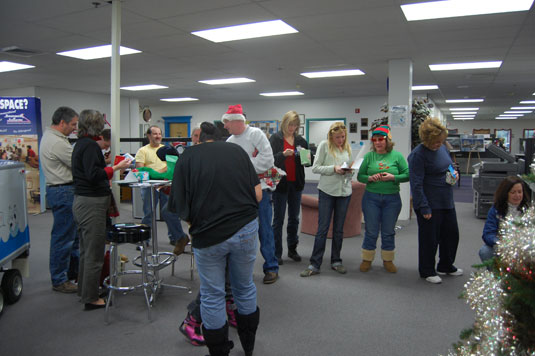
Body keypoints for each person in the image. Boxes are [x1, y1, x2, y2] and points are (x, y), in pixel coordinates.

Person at [169, 121, 262, 356]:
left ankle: (219, 351)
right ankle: (248, 347)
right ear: (221, 136)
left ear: (199, 138)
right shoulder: (238, 152)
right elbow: (257, 194)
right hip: (244, 228)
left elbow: (178, 206)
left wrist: (194, 223)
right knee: (244, 287)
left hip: (208, 234)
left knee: (212, 294)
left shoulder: (187, 157)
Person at [71, 109, 131, 310]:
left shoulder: (81, 144)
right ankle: (91, 298)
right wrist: (116, 168)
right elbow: (94, 175)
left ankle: (85, 290)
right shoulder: (89, 146)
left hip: (83, 201)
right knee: (94, 252)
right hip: (91, 203)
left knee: (86, 250)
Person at [223, 104, 279, 284]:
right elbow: (229, 167)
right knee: (240, 232)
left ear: (237, 121)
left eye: (227, 123)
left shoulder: (256, 134)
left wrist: (244, 166)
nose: (225, 126)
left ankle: (271, 267)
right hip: (240, 192)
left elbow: (268, 160)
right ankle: (241, 271)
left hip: (260, 190)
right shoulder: (230, 142)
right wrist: (248, 165)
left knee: (264, 229)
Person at [408, 117, 462, 284]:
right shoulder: (417, 155)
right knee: (429, 239)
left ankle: (445, 265)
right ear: (426, 139)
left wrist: (454, 174)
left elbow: (449, 166)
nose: (438, 144)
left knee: (451, 235)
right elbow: (416, 184)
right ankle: (426, 270)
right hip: (429, 203)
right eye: (435, 142)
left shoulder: (443, 148)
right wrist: (424, 207)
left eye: (440, 141)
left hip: (446, 200)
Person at [300, 122, 353, 277]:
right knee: (322, 229)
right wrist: (333, 169)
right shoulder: (324, 145)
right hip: (327, 192)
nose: (340, 140)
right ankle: (314, 264)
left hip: (344, 192)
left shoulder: (347, 147)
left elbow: (348, 169)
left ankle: (336, 261)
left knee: (338, 229)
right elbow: (316, 168)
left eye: (343, 137)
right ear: (331, 136)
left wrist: (349, 171)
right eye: (337, 137)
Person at [357, 125, 409, 273]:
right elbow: (360, 176)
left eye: (381, 139)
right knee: (371, 230)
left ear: (388, 141)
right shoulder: (368, 157)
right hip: (371, 198)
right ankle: (367, 259)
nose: (378, 142)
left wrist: (394, 177)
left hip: (392, 199)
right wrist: (369, 178)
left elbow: (408, 174)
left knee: (388, 231)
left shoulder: (397, 156)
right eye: (375, 140)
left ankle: (388, 260)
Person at [39, 106, 80, 293]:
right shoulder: (57, 143)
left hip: (60, 190)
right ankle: (60, 280)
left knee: (70, 236)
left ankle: (70, 274)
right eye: (72, 124)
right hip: (63, 191)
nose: (74, 128)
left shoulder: (52, 138)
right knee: (63, 239)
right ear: (62, 122)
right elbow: (78, 165)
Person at [135, 125, 189, 254]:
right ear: (149, 136)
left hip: (167, 186)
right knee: (148, 213)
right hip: (149, 186)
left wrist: (159, 173)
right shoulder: (142, 151)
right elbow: (140, 169)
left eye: (159, 134)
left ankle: (175, 238)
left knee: (170, 212)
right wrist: (158, 173)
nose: (158, 136)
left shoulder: (166, 149)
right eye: (155, 134)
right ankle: (145, 240)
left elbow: (172, 166)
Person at [269, 110, 308, 264]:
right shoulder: (275, 138)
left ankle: (292, 249)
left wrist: (305, 155)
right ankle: (277, 253)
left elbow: (307, 163)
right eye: (290, 124)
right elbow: (270, 160)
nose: (292, 128)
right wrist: (283, 155)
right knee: (278, 220)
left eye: (295, 125)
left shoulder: (300, 140)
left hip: (296, 184)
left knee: (294, 219)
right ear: (284, 123)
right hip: (280, 184)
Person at [479, 176, 529, 262]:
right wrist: (500, 243)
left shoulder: (528, 210)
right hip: (502, 245)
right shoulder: (496, 210)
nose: (517, 195)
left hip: (524, 246)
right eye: (513, 192)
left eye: (520, 192)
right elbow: (488, 234)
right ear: (506, 193)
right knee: (485, 251)